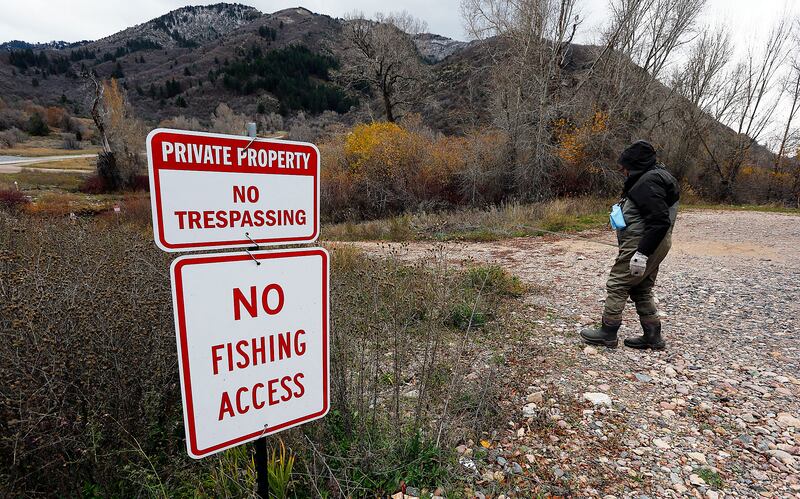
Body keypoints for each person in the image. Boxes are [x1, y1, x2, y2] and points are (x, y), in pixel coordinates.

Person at [580, 140, 680, 350]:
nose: (623, 171)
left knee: (618, 283)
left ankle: (607, 333)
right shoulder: (656, 177)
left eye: (625, 166)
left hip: (643, 243)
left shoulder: (648, 182)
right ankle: (652, 336)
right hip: (655, 243)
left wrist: (641, 254)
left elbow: (658, 221)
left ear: (636, 164)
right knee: (642, 287)